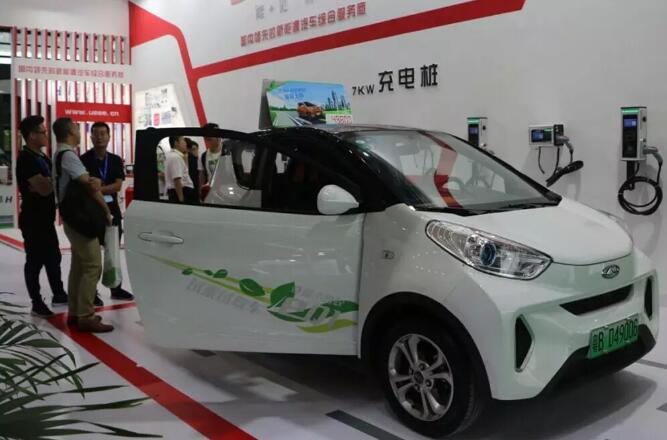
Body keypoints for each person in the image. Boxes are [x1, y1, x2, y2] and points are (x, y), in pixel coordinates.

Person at [52, 117, 113, 333]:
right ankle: (86, 316)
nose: (80, 131)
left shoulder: (59, 154)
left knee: (79, 266)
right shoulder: (69, 155)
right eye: (77, 128)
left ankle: (75, 313)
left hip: (72, 219)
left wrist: (93, 181)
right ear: (70, 131)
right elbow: (89, 185)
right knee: (93, 265)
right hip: (80, 220)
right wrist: (106, 211)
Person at [16, 115, 68, 317]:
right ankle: (36, 302)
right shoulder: (26, 159)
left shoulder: (42, 157)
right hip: (33, 220)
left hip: (46, 219)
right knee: (35, 261)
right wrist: (49, 182)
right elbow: (45, 188)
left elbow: (46, 185)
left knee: (53, 257)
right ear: (31, 135)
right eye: (42, 132)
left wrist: (47, 182)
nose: (46, 135)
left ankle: (59, 293)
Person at [81, 122, 134, 304]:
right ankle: (92, 291)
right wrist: (101, 189)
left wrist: (97, 189)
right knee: (92, 255)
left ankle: (116, 287)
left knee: (113, 252)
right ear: (91, 137)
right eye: (96, 134)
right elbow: (85, 187)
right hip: (91, 212)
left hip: (113, 210)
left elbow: (118, 185)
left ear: (109, 137)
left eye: (103, 134)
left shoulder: (115, 160)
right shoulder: (84, 160)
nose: (99, 137)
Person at [165, 135, 198, 204]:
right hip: (183, 192)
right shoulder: (175, 157)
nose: (185, 143)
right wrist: (181, 200)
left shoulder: (171, 155)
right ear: (176, 143)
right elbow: (177, 179)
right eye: (183, 140)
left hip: (177, 192)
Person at [198, 122, 224, 191]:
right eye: (207, 139)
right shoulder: (203, 156)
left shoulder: (228, 151)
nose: (218, 138)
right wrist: (200, 191)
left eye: (219, 135)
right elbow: (202, 175)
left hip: (229, 189)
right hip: (212, 191)